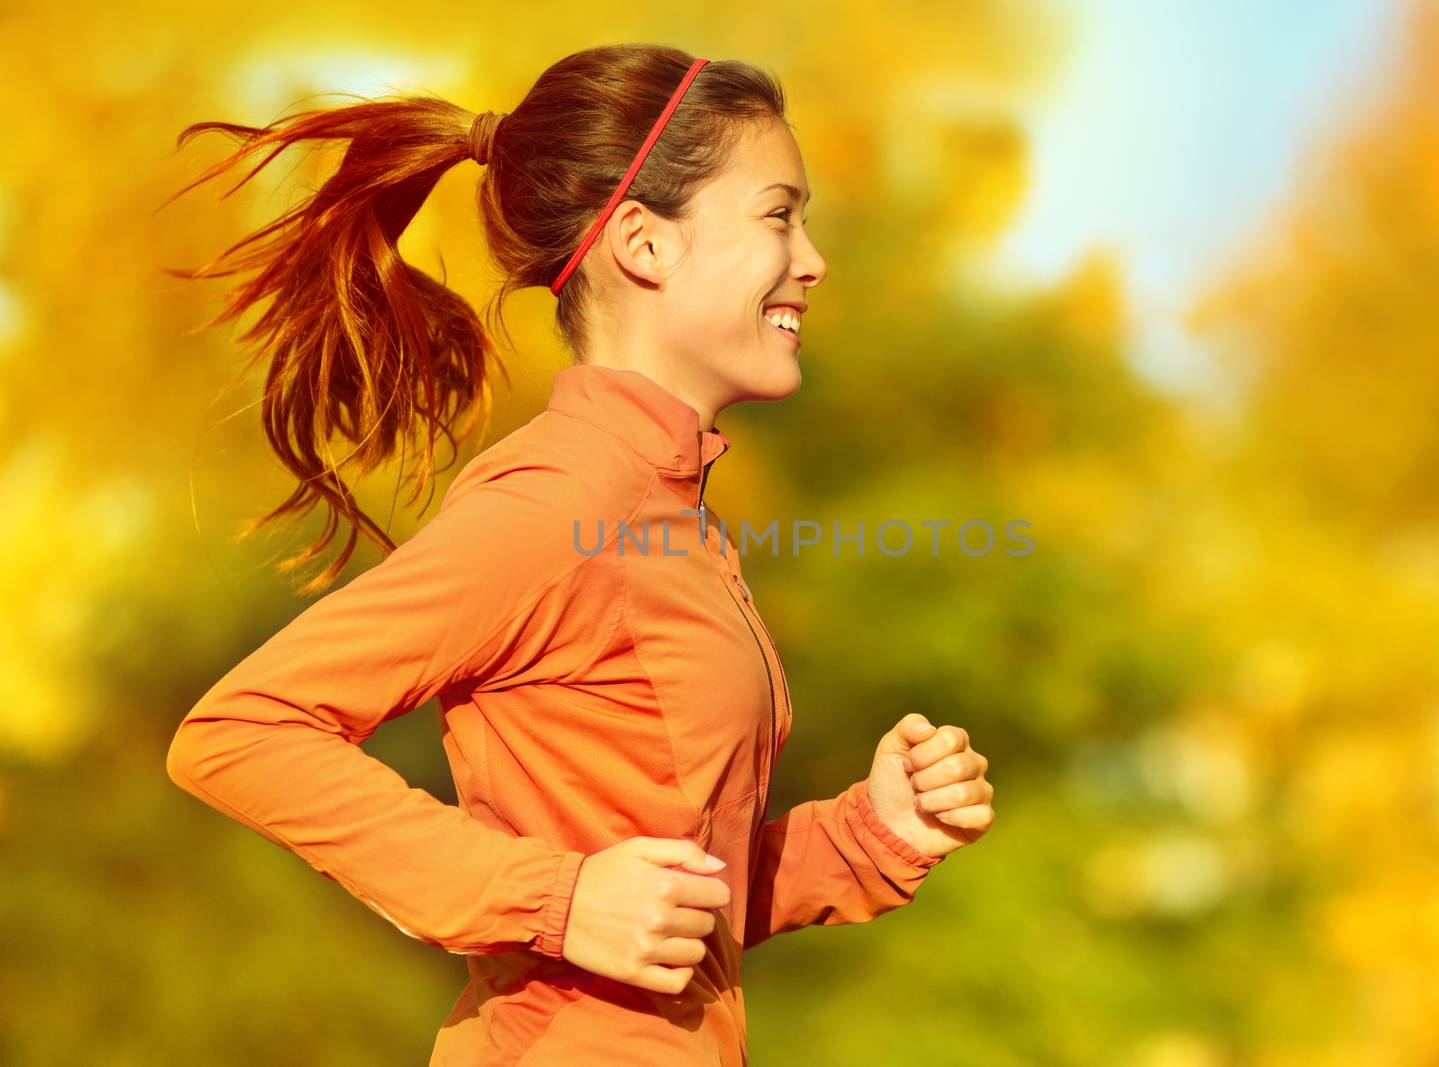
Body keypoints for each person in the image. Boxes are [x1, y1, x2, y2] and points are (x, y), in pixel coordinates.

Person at [163, 44, 995, 1065]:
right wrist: (553, 900)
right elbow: (241, 730)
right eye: (779, 214)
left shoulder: (664, 512)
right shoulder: (563, 501)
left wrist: (871, 833)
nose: (812, 258)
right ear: (643, 244)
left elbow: (676, 893)